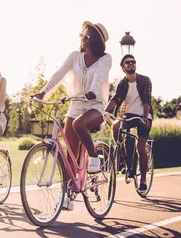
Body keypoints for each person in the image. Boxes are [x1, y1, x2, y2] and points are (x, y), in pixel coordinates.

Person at [33, 21, 112, 177]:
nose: (83, 38)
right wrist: (43, 92)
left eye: (87, 36)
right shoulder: (75, 56)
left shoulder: (105, 59)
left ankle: (94, 156)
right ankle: (69, 195)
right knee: (71, 153)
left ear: (96, 39)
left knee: (79, 124)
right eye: (81, 35)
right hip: (75, 106)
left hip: (94, 106)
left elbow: (99, 76)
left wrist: (93, 91)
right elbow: (59, 74)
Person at [105, 54, 153, 192]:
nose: (131, 64)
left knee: (140, 147)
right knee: (115, 126)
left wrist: (145, 118)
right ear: (123, 67)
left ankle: (143, 180)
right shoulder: (123, 83)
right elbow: (114, 99)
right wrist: (103, 112)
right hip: (130, 114)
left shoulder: (145, 80)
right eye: (128, 62)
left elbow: (147, 101)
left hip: (144, 114)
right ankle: (123, 155)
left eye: (133, 62)